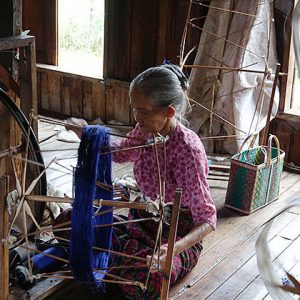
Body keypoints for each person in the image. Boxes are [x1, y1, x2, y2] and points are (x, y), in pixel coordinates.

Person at [66, 64, 216, 299]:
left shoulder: (187, 150)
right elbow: (120, 153)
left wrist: (173, 249)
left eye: (143, 112)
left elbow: (207, 219)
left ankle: (111, 259)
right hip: (142, 223)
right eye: (134, 109)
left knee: (153, 279)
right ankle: (118, 260)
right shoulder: (145, 131)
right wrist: (87, 134)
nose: (137, 117)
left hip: (175, 236)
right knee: (69, 221)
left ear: (168, 112)